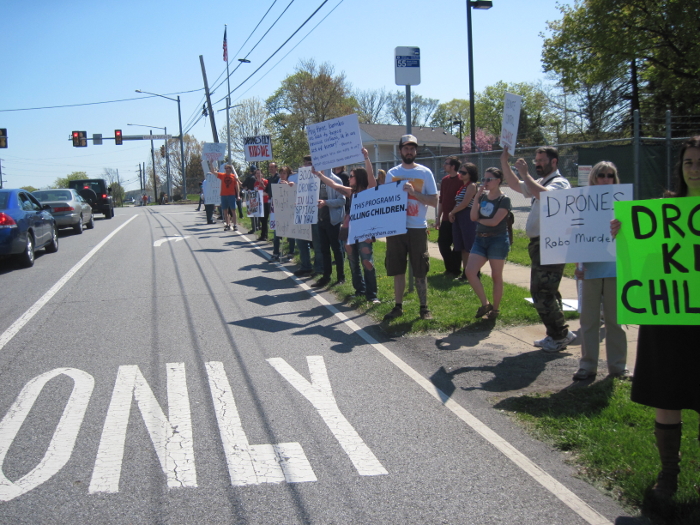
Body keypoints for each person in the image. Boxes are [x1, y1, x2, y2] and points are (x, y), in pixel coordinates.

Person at [611, 136, 700, 499]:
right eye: (689, 162)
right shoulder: (666, 208)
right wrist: (625, 237)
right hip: (670, 315)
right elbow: (647, 263)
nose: (694, 169)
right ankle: (669, 476)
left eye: (699, 162)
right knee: (669, 392)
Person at [501, 146, 575, 352]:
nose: (537, 164)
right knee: (548, 292)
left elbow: (549, 197)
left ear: (554, 162)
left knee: (541, 292)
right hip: (540, 245)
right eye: (536, 160)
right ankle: (558, 333)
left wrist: (526, 174)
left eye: (541, 160)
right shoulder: (541, 182)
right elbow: (515, 185)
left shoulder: (560, 183)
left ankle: (560, 335)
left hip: (550, 244)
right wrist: (504, 162)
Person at [573, 161, 629, 381]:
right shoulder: (582, 203)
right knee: (589, 320)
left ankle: (618, 367)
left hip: (616, 269)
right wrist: (578, 266)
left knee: (616, 321)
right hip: (590, 270)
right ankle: (588, 366)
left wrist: (622, 225)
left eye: (610, 175)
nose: (606, 179)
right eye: (601, 175)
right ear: (593, 178)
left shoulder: (625, 203)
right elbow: (576, 237)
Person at [382, 134, 438, 321]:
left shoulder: (424, 173)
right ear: (400, 151)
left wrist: (414, 193)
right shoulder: (392, 174)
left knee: (420, 269)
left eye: (412, 148)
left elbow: (434, 200)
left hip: (417, 228)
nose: (409, 151)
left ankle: (424, 308)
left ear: (416, 151)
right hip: (396, 229)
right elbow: (384, 201)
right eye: (406, 148)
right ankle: (398, 306)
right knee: (397, 269)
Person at [313, 148, 378, 302]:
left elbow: (371, 177)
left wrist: (366, 158)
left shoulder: (369, 191)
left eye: (352, 176)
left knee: (367, 262)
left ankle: (372, 295)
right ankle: (359, 290)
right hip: (348, 231)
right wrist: (320, 175)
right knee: (353, 263)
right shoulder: (351, 192)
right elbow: (334, 185)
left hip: (365, 232)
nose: (349, 179)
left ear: (359, 178)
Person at [465, 168, 511, 320]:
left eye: (489, 179)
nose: (485, 183)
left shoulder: (504, 200)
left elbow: (494, 221)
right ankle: (485, 304)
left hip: (497, 239)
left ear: (498, 181)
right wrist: (477, 196)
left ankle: (495, 310)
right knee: (470, 272)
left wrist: (479, 220)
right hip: (480, 238)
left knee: (496, 276)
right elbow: (472, 217)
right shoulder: (483, 196)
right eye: (484, 179)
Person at [311, 167, 346, 288]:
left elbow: (342, 201)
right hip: (320, 220)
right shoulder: (314, 180)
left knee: (337, 249)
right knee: (324, 250)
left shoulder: (336, 180)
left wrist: (326, 203)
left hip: (333, 221)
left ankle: (341, 277)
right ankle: (326, 276)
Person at [448, 162, 478, 281]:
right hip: (459, 217)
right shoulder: (463, 186)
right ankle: (465, 274)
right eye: (460, 171)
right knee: (463, 248)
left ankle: (474, 272)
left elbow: (465, 203)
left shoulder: (472, 186)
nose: (460, 174)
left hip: (467, 217)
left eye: (464, 172)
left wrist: (452, 212)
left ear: (470, 174)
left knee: (470, 246)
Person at [436, 156, 465, 277]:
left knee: (457, 245)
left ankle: (455, 270)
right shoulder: (445, 180)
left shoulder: (461, 179)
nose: (444, 165)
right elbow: (441, 200)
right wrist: (438, 217)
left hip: (457, 219)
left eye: (446, 164)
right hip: (446, 219)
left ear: (453, 166)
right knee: (442, 243)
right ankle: (449, 268)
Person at [212, 163, 240, 232]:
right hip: (223, 195)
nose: (226, 170)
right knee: (225, 210)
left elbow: (237, 187)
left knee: (233, 210)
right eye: (225, 168)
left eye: (228, 168)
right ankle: (228, 224)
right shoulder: (222, 175)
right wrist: (211, 163)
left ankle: (235, 225)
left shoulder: (233, 176)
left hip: (231, 195)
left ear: (230, 169)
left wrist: (238, 195)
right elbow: (213, 172)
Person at [253, 169, 270, 241]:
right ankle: (264, 234)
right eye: (257, 174)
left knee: (264, 220)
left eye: (259, 173)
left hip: (265, 202)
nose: (258, 175)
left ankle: (264, 235)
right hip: (258, 203)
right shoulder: (255, 183)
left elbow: (268, 191)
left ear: (262, 174)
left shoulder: (266, 181)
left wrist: (263, 186)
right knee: (260, 219)